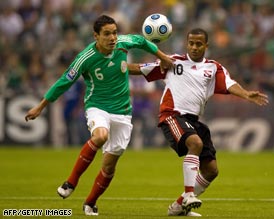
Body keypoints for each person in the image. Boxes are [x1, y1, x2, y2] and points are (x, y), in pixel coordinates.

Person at [25, 14, 173, 216]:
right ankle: (71, 182)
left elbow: (141, 40)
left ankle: (90, 202)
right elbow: (64, 82)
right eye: (107, 34)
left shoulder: (122, 43)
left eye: (114, 33)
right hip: (98, 106)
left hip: (123, 112)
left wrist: (163, 58)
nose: (112, 38)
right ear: (96, 36)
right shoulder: (85, 58)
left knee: (109, 167)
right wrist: (40, 106)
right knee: (100, 136)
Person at [128, 28, 269, 217]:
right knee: (195, 143)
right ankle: (188, 195)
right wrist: (116, 66)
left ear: (206, 46)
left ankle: (178, 208)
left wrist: (246, 94)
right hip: (172, 115)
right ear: (187, 44)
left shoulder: (213, 68)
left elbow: (229, 84)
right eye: (191, 43)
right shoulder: (173, 62)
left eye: (198, 44)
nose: (194, 47)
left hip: (194, 120)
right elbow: (140, 68)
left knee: (211, 170)